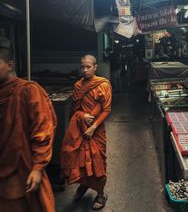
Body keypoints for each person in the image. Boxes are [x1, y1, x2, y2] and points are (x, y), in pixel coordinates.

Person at [0, 46, 57, 212]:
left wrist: (38, 168)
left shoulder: (28, 91)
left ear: (10, 65)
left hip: (23, 167)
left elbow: (43, 130)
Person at [60, 55, 112, 210]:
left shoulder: (103, 84)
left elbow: (106, 109)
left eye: (88, 67)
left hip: (96, 131)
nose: (85, 70)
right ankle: (83, 185)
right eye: (82, 67)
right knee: (80, 160)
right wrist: (82, 116)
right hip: (81, 130)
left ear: (95, 67)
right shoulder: (77, 86)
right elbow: (75, 111)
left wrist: (94, 126)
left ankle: (101, 194)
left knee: (98, 160)